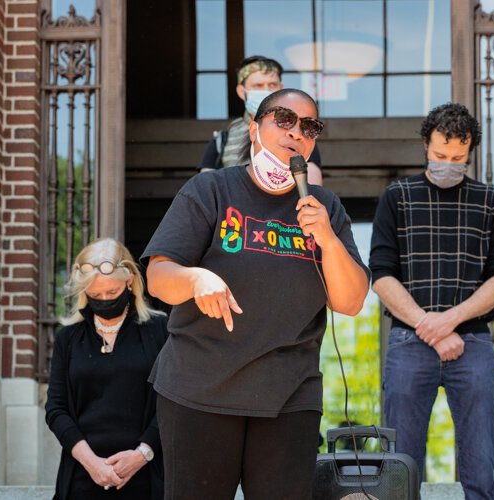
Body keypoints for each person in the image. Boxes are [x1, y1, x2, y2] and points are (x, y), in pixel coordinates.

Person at [142, 88, 369, 499]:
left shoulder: (325, 206)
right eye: (283, 119)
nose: (296, 132)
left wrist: (329, 241)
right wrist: (195, 279)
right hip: (200, 390)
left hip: (289, 395)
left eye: (309, 126)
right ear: (254, 128)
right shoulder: (210, 190)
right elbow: (158, 277)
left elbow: (351, 302)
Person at [369, 103, 494, 500]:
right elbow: (381, 275)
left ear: (470, 154)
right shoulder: (397, 197)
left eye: (458, 159)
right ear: (425, 146)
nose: (448, 164)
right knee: (401, 464)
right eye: (439, 156)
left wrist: (449, 321)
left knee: (480, 466)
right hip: (408, 343)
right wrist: (430, 328)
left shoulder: (489, 202)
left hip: (473, 345)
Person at [45, 238, 168, 500]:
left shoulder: (159, 331)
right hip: (82, 475)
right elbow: (56, 409)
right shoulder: (67, 339)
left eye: (112, 293)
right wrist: (92, 463)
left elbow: (171, 402)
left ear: (130, 281)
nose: (104, 300)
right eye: (94, 295)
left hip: (145, 475)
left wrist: (142, 454)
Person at [198, 55, 323, 185]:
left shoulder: (299, 136)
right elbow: (205, 190)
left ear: (281, 88)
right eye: (258, 85)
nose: (266, 90)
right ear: (242, 91)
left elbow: (312, 188)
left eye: (272, 85)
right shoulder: (222, 140)